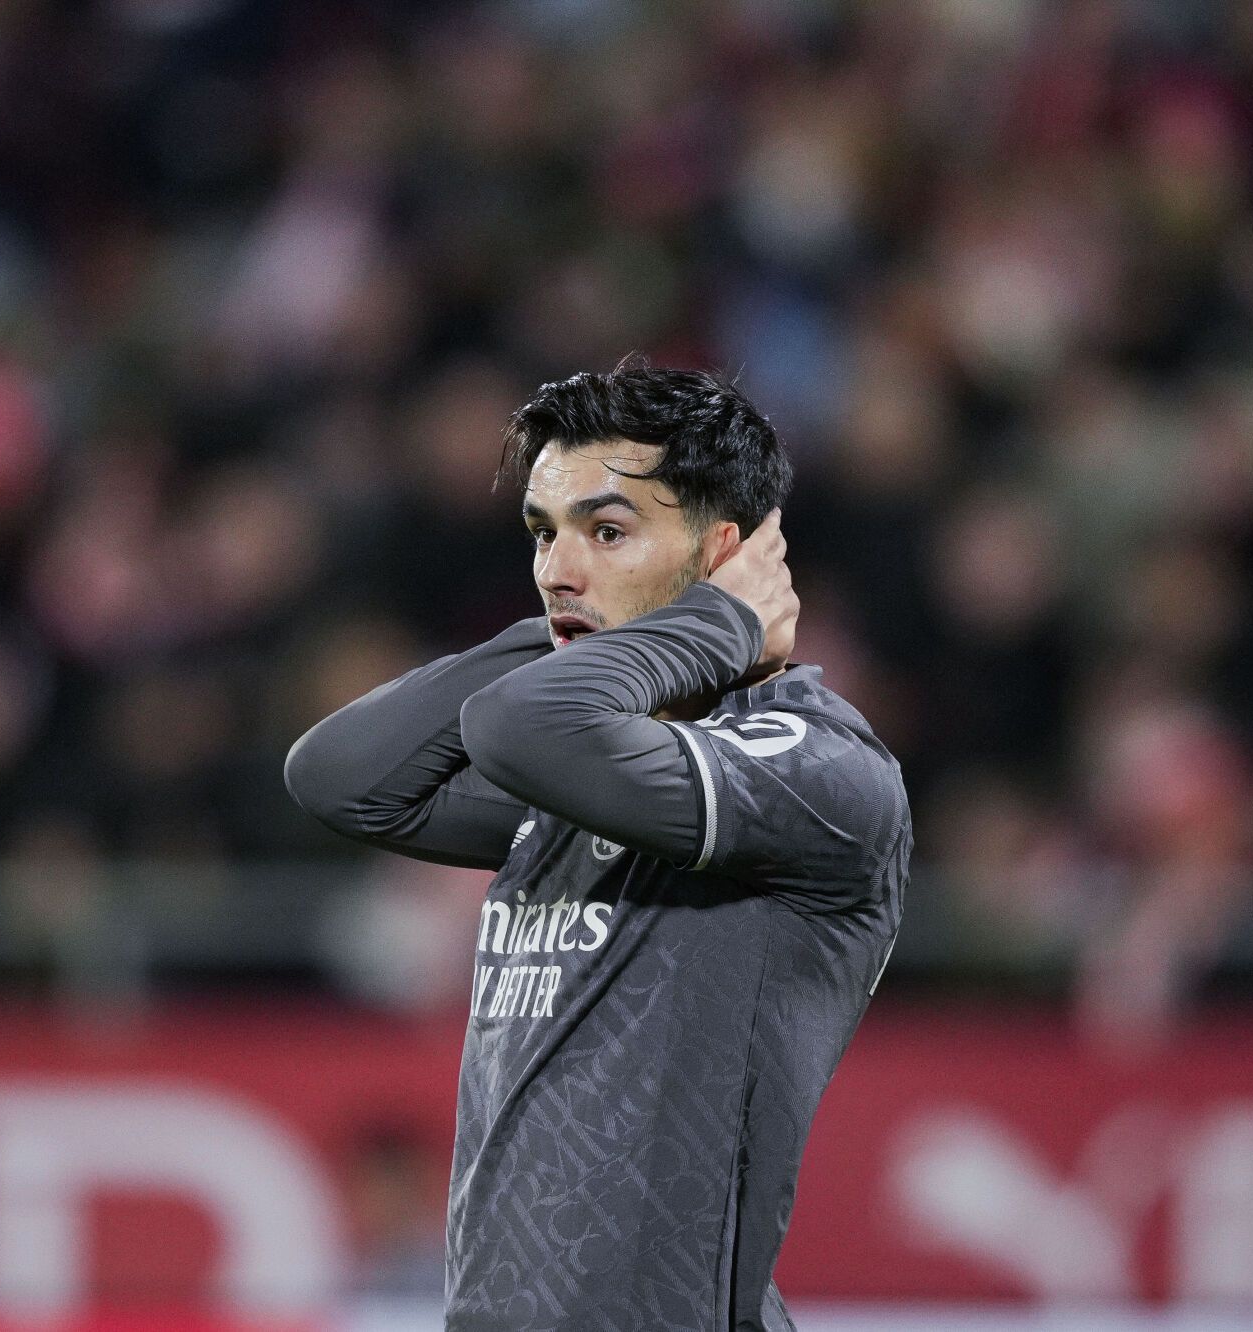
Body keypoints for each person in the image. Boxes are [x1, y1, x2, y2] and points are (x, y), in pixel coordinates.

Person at [285, 362, 909, 1332]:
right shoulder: (581, 775)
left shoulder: (809, 766)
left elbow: (520, 728)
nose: (553, 571)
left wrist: (714, 621)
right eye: (544, 533)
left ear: (722, 554)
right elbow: (340, 778)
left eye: (606, 531)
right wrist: (587, 622)